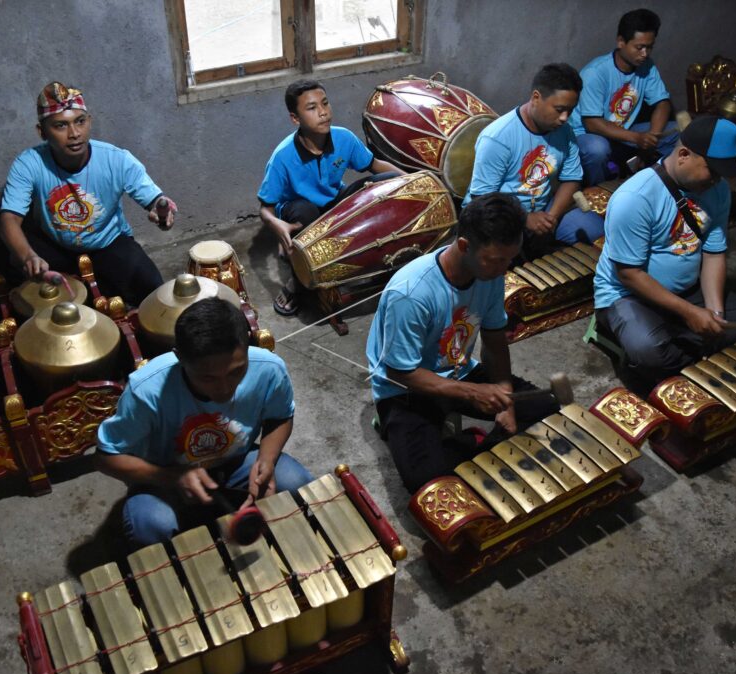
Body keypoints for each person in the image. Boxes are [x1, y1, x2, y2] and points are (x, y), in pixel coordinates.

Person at [365, 193, 560, 494]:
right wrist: (473, 392)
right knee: (428, 483)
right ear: (464, 246)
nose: (504, 269)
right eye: (497, 260)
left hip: (458, 372)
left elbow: (494, 339)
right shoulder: (411, 293)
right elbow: (400, 372)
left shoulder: (489, 272)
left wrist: (505, 398)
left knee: (547, 408)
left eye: (510, 259)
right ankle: (465, 442)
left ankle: (471, 444)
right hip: (407, 390)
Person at [95, 298, 313, 547]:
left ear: (247, 345)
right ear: (179, 357)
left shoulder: (268, 368)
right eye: (207, 378)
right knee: (151, 525)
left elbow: (281, 416)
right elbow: (105, 458)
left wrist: (266, 459)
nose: (225, 388)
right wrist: (172, 477)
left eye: (236, 371)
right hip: (165, 472)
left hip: (236, 461)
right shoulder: (146, 391)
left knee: (298, 484)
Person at [593, 115, 736, 392]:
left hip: (688, 290)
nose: (716, 180)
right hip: (629, 295)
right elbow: (629, 275)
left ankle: (683, 344)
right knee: (649, 350)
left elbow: (714, 253)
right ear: (683, 155)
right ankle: (675, 351)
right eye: (711, 170)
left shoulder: (717, 191)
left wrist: (713, 311)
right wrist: (690, 312)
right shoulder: (635, 198)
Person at [0, 82, 176, 306]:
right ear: (42, 132)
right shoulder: (29, 163)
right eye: (60, 126)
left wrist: (162, 212)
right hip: (55, 245)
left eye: (80, 122)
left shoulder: (116, 159)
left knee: (155, 295)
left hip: (107, 242)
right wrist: (28, 257)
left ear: (89, 122)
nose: (74, 134)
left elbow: (156, 202)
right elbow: (9, 218)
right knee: (22, 290)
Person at [258, 79, 403, 316]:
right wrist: (276, 224)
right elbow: (265, 208)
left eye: (325, 104)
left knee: (380, 184)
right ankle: (296, 281)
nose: (323, 112)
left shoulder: (343, 138)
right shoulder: (282, 157)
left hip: (334, 202)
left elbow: (375, 165)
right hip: (299, 211)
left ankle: (376, 259)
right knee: (304, 212)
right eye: (312, 108)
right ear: (295, 118)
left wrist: (413, 179)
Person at [466, 63, 603, 258]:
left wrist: (551, 218)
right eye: (559, 109)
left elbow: (572, 179)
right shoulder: (497, 138)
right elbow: (482, 199)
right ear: (536, 98)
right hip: (498, 215)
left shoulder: (565, 132)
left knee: (594, 229)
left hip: (543, 210)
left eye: (570, 111)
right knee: (502, 251)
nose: (565, 118)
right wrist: (524, 219)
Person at [571, 9, 679, 186]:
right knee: (597, 149)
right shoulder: (595, 73)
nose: (645, 53)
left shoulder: (647, 67)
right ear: (621, 42)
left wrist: (653, 134)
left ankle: (660, 183)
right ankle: (599, 192)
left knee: (677, 133)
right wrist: (637, 138)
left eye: (649, 47)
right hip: (587, 135)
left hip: (623, 131)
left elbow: (662, 103)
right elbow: (592, 124)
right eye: (639, 47)